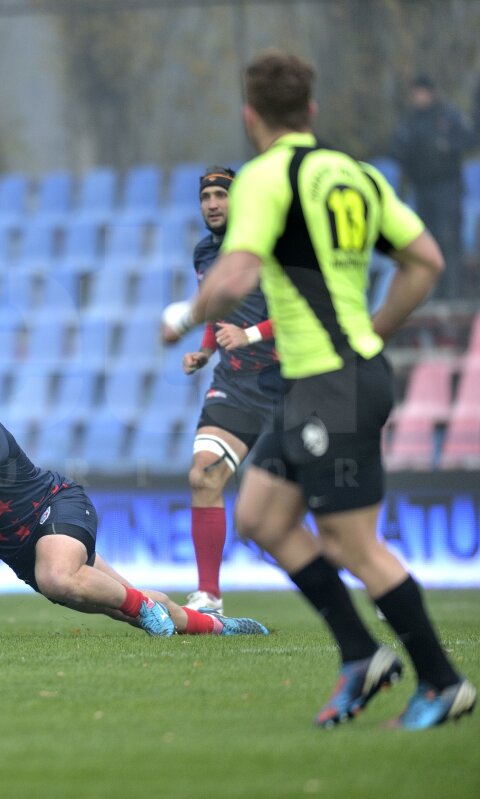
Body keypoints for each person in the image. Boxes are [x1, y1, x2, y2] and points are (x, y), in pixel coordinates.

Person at [161, 50, 474, 730]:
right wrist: (376, 330)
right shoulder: (355, 174)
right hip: (329, 376)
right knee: (261, 519)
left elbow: (236, 274)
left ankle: (443, 681)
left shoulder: (269, 177)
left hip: (332, 383)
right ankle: (361, 653)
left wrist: (187, 316)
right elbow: (426, 261)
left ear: (251, 117)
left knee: (351, 543)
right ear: (312, 111)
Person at [0, 378, 269, 637]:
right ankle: (213, 626)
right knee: (120, 602)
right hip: (22, 551)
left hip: (56, 508)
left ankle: (145, 609)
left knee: (60, 577)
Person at [178, 165, 282, 615]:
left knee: (327, 492)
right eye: (206, 197)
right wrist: (204, 351)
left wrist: (251, 335)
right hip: (236, 386)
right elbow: (216, 312)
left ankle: (381, 580)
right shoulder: (205, 253)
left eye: (222, 195)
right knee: (203, 474)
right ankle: (209, 595)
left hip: (288, 381)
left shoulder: (267, 249)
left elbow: (301, 313)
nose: (213, 204)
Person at [391, 75, 472, 297]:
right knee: (428, 241)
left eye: (421, 92)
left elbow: (469, 139)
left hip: (447, 188)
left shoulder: (448, 116)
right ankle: (435, 292)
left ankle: (454, 292)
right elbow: (398, 150)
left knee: (449, 238)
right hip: (423, 189)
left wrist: (446, 147)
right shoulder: (411, 121)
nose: (418, 97)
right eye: (415, 93)